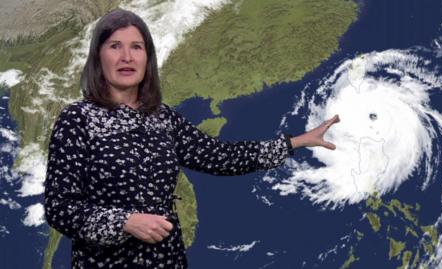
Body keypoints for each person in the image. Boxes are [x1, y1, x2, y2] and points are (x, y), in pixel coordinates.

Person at [43, 8, 340, 269]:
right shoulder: (77, 120)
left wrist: (293, 143)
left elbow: (221, 157)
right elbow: (60, 208)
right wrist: (125, 222)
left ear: (148, 58)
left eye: (137, 47)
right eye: (115, 46)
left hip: (167, 260)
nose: (127, 57)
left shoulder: (163, 118)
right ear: (98, 56)